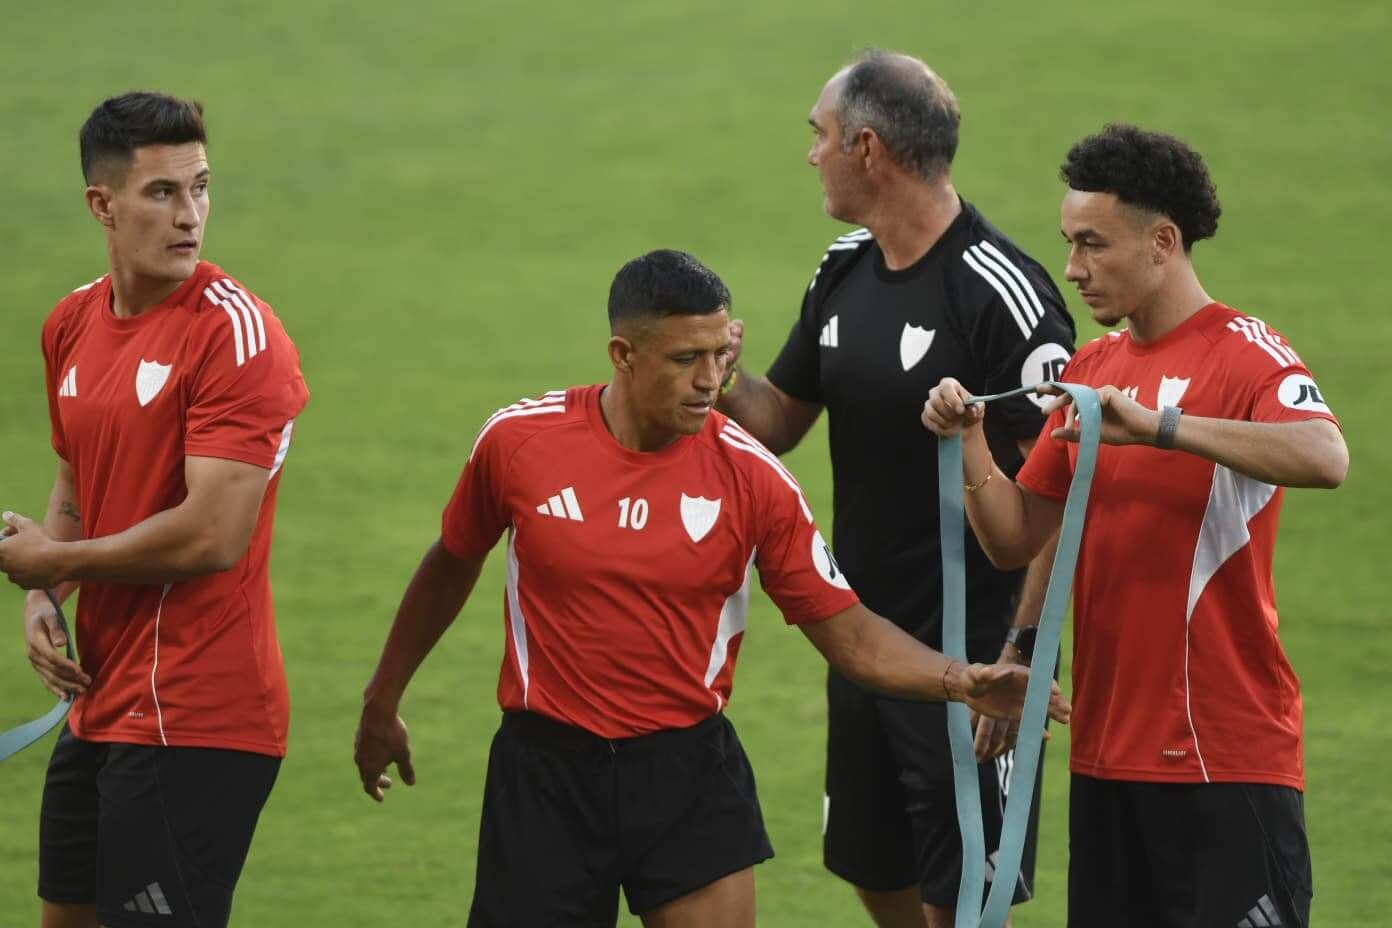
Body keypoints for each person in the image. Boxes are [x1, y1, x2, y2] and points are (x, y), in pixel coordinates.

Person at [353, 249, 1069, 928]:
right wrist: (382, 700)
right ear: (623, 356)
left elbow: (847, 632)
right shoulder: (519, 444)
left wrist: (962, 679)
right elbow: (452, 559)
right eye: (685, 359)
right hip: (544, 775)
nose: (710, 379)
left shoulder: (752, 477)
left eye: (720, 355)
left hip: (686, 773)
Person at [922, 123, 1348, 928]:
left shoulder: (1247, 354)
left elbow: (1325, 454)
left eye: (1093, 245)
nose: (1074, 269)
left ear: (1163, 240)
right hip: (1108, 756)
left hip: (1222, 760)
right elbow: (1017, 537)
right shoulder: (1092, 370)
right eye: (1069, 244)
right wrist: (968, 441)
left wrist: (1159, 426)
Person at [717, 50, 1076, 926]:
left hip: (974, 655)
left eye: (823, 135)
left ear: (869, 149)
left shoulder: (1005, 296)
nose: (813, 154)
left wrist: (1025, 653)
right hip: (866, 643)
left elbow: (1064, 493)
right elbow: (778, 423)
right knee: (872, 867)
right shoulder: (844, 267)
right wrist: (713, 369)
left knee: (967, 901)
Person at [0, 91, 309, 928]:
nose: (192, 215)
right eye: (164, 193)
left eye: (201, 188)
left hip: (199, 717)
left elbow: (213, 534)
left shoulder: (236, 337)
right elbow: (75, 482)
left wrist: (53, 563)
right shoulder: (70, 322)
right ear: (103, 205)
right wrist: (42, 599)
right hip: (101, 701)